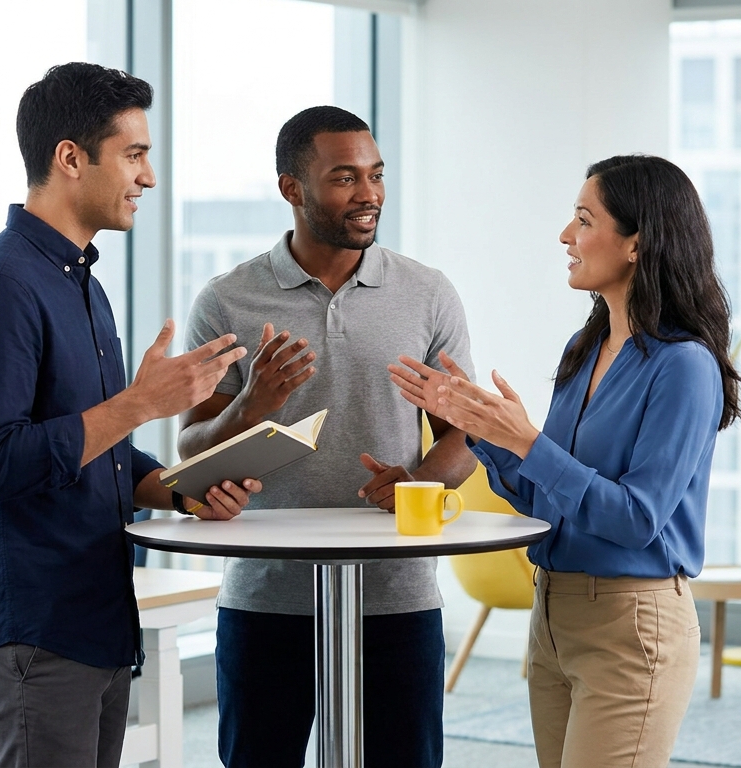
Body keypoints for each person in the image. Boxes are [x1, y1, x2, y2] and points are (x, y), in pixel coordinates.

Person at [0, 62, 260, 768]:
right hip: (34, 628)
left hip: (97, 618)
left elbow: (98, 447)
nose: (148, 177)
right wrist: (142, 402)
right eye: (134, 155)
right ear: (70, 159)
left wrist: (180, 489)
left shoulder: (81, 283)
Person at [391, 154, 741, 768]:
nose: (564, 236)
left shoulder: (684, 366)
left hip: (633, 624)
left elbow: (636, 520)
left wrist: (527, 441)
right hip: (552, 615)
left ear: (638, 243)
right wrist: (482, 431)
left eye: (584, 219)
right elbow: (545, 500)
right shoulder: (584, 352)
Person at [178, 106, 477, 768]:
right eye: (345, 178)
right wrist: (252, 405)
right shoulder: (228, 300)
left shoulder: (429, 294)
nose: (368, 194)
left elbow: (464, 438)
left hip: (395, 598)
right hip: (266, 598)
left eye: (375, 174)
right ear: (292, 188)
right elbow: (192, 455)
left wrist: (421, 483)